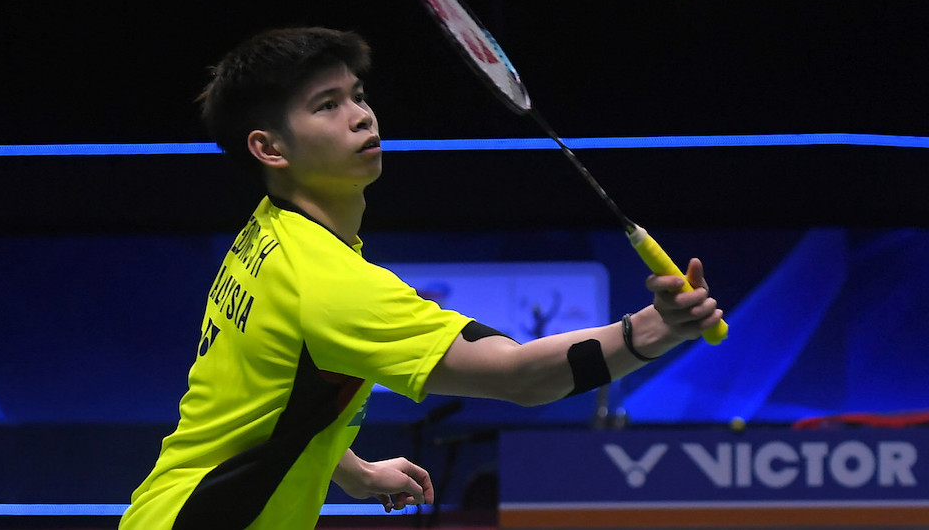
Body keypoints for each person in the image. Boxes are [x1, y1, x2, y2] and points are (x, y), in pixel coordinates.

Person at [119, 27, 723, 530]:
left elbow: (268, 396)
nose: (361, 116)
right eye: (327, 106)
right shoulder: (329, 283)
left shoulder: (269, 232)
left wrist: (354, 470)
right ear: (270, 149)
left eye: (357, 96)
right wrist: (654, 330)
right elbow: (519, 376)